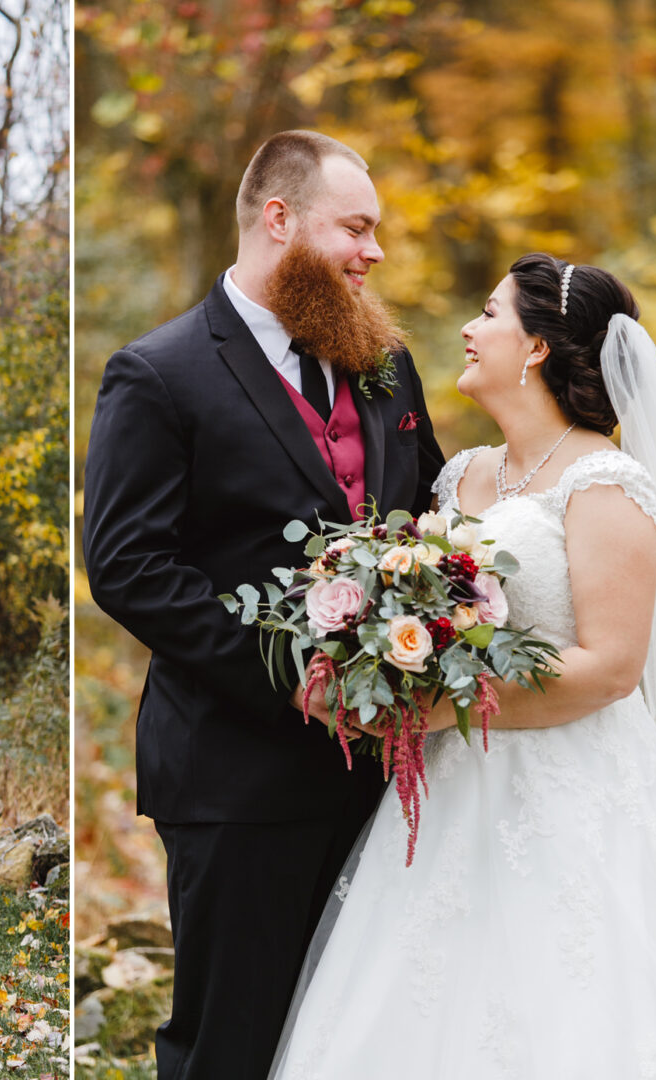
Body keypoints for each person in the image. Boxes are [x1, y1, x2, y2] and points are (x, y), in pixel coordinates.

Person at [269, 254, 656, 1078]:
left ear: (538, 349)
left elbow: (612, 669)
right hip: (446, 795)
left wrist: (444, 708)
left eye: (488, 314)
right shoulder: (462, 474)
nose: (469, 332)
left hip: (573, 793)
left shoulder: (606, 483)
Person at [81, 130, 445, 1079]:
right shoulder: (158, 374)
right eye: (356, 229)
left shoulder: (386, 365)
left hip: (389, 776)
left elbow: (430, 518)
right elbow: (126, 566)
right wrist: (289, 680)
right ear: (278, 220)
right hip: (236, 776)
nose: (374, 252)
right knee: (232, 1047)